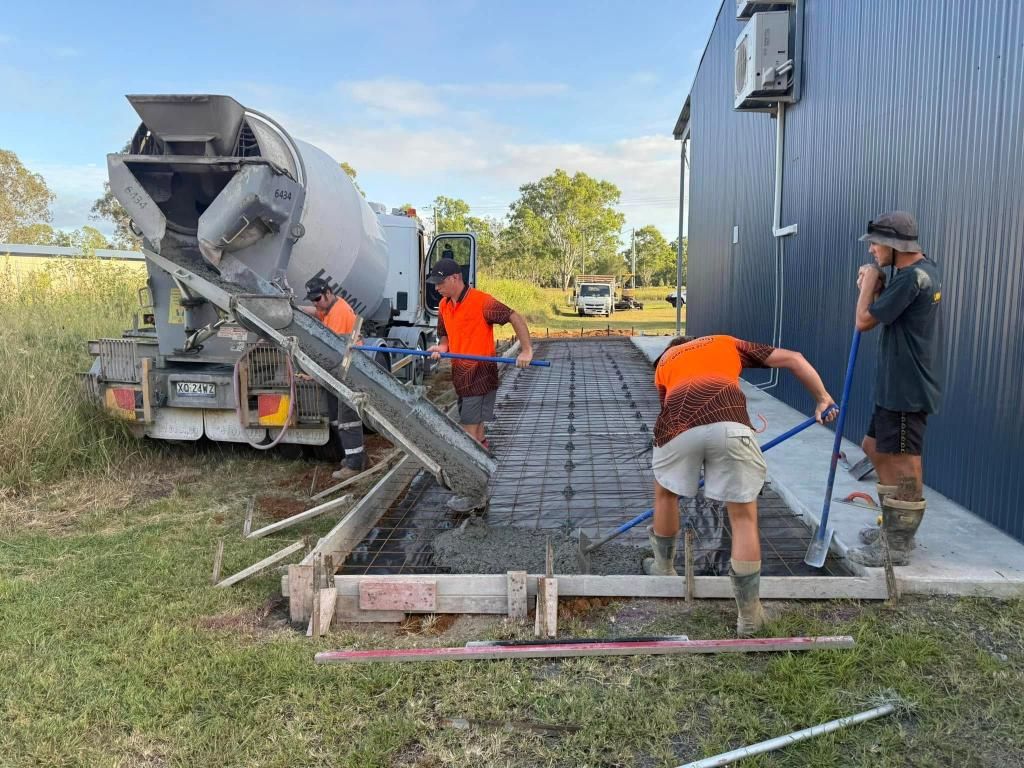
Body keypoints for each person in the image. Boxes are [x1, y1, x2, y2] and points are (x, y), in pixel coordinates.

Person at [648, 335, 836, 636]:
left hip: (677, 429)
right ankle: (749, 617)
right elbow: (795, 358)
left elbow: (669, 407)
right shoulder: (723, 342)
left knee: (665, 494)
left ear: (673, 349)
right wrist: (823, 398)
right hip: (732, 426)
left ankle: (663, 570)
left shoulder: (664, 363)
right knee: (743, 516)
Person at [847, 211, 943, 567]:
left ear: (893, 246)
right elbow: (894, 309)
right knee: (873, 447)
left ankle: (898, 542)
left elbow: (863, 321)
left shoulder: (912, 278)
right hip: (895, 384)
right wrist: (878, 285)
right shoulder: (916, 272)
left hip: (906, 387)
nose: (871, 250)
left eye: (875, 244)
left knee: (904, 461)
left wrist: (870, 284)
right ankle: (893, 524)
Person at [425, 257, 534, 512]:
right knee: (478, 433)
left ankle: (472, 492)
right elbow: (445, 333)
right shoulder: (444, 304)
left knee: (467, 435)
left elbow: (514, 317)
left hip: (479, 374)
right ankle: (481, 483)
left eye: (440, 283)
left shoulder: (481, 301)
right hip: (461, 375)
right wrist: (442, 347)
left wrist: (527, 350)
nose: (436, 288)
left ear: (455, 279)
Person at [298, 276, 368, 481]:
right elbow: (316, 311)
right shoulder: (329, 307)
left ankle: (355, 464)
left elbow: (333, 353)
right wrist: (295, 307)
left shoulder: (338, 312)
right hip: (339, 371)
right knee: (338, 418)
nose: (315, 303)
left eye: (318, 298)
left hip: (347, 371)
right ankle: (352, 456)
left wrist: (312, 373)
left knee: (347, 420)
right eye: (312, 300)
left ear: (329, 293)